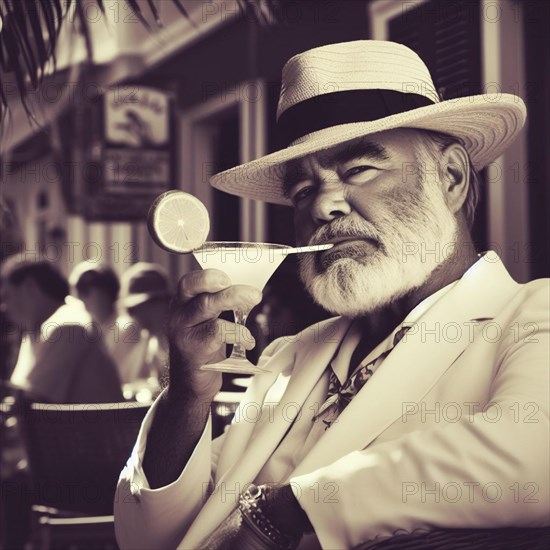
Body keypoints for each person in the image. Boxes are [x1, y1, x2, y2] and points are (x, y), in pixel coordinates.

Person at [114, 41, 549, 549]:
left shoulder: (529, 316)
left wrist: (287, 510)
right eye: (302, 191)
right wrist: (188, 397)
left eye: (358, 170)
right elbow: (146, 536)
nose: (323, 205)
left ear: (451, 178)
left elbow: (534, 455)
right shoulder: (291, 356)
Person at [1, 258, 123, 404]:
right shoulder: (36, 330)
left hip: (89, 427)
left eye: (6, 296)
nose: (4, 307)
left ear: (30, 287)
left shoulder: (68, 326)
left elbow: (30, 402)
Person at [69, 262, 147, 384]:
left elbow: (119, 378)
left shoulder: (126, 328)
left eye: (84, 291)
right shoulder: (94, 331)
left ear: (102, 293)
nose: (81, 300)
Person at [119, 262, 171, 384]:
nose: (136, 315)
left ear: (164, 302)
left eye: (145, 306)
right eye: (131, 310)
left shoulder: (182, 340)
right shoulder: (150, 341)